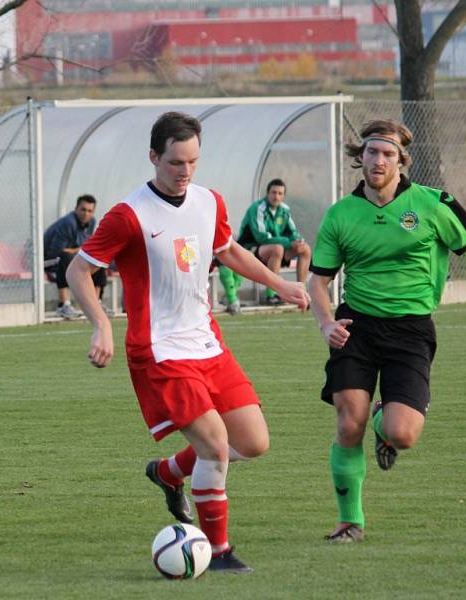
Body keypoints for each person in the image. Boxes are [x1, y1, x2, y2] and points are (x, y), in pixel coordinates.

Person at [66, 112, 310, 573]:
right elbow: (78, 270)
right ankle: (217, 552)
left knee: (254, 442)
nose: (185, 172)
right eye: (176, 162)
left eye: (194, 162)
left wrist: (279, 284)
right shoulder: (128, 215)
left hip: (208, 346)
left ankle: (168, 472)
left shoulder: (209, 202)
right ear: (154, 157)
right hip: (159, 353)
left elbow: (229, 251)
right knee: (216, 446)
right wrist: (101, 323)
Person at [308, 119, 466, 543]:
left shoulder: (433, 204)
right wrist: (326, 322)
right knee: (350, 424)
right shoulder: (340, 214)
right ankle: (350, 522)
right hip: (357, 326)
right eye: (371, 152)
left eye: (388, 154)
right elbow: (318, 281)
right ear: (360, 157)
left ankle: (389, 418)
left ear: (402, 161)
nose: (378, 160)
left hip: (411, 330)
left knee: (402, 434)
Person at [218, 178, 311, 314]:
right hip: (251, 248)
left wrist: (298, 241)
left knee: (305, 249)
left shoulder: (284, 210)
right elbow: (261, 237)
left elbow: (292, 232)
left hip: (273, 249)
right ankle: (272, 294)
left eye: (280, 193)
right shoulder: (258, 208)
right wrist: (288, 242)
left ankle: (301, 292)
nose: (276, 196)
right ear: (267, 193)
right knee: (277, 248)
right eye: (274, 192)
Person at [44, 194, 106, 319]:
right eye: (83, 209)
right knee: (65, 257)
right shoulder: (68, 223)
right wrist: (80, 250)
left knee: (97, 259)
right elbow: (57, 252)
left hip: (71, 258)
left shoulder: (92, 222)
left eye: (90, 211)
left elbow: (86, 247)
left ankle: (96, 304)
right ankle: (63, 305)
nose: (86, 214)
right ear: (76, 208)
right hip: (48, 260)